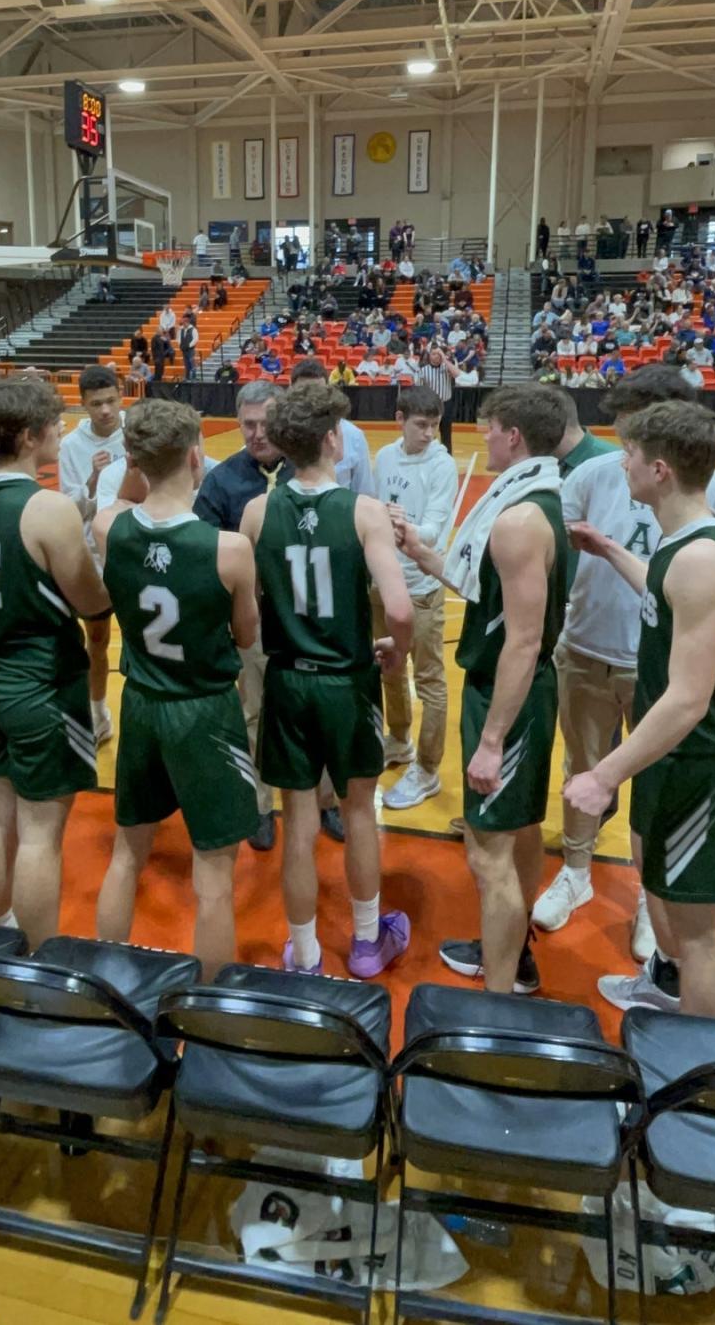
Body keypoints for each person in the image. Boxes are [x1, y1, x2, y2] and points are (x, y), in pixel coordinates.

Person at [532, 367, 715, 989]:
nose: (621, 438)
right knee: (581, 768)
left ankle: (658, 911)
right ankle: (576, 872)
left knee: (653, 795)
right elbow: (563, 553)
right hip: (589, 648)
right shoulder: (596, 475)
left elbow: (705, 600)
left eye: (633, 425)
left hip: (665, 678)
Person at [565, 402, 715, 1018]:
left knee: (700, 933)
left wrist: (604, 774)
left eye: (629, 454)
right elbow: (662, 587)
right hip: (666, 758)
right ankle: (663, 980)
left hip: (698, 764)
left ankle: (697, 1071)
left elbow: (687, 699)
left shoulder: (705, 560)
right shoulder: (683, 547)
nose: (619, 463)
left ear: (658, 471)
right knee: (659, 890)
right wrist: (606, 549)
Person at [393, 385, 568, 995]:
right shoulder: (537, 498)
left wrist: (492, 740)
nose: (482, 438)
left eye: (489, 428)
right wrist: (419, 550)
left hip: (507, 697)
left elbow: (521, 641)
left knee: (489, 853)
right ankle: (514, 959)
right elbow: (481, 588)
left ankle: (498, 1008)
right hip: (516, 692)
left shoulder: (520, 520)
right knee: (519, 834)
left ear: (513, 435)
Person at [241, 385, 413, 976]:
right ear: (333, 440)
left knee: (298, 821)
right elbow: (401, 608)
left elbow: (245, 601)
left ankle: (306, 953)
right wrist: (398, 653)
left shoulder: (258, 512)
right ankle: (367, 944)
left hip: (288, 680)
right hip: (346, 680)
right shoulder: (363, 512)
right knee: (358, 811)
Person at [93, 403, 259, 977]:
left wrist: (134, 465)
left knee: (125, 854)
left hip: (140, 701)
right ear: (197, 458)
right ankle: (210, 1007)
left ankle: (104, 982)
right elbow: (245, 635)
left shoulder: (107, 527)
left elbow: (119, 499)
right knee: (213, 876)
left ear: (134, 462)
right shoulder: (229, 549)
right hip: (204, 711)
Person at [0, 379, 109, 948]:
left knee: (0, 810)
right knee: (42, 832)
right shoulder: (46, 507)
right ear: (27, 436)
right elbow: (92, 601)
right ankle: (40, 966)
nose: (59, 431)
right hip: (37, 682)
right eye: (52, 425)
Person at [194, 381, 287, 850]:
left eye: (266, 423)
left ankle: (325, 802)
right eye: (247, 424)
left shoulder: (308, 471)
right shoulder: (222, 481)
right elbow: (203, 553)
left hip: (306, 624)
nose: (256, 433)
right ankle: (261, 805)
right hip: (253, 623)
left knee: (309, 714)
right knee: (253, 714)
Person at [374, 386, 457, 809]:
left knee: (430, 682)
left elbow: (436, 528)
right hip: (384, 582)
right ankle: (399, 739)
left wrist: (399, 525)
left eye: (435, 425)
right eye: (421, 425)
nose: (429, 434)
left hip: (421, 586)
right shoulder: (385, 457)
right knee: (389, 667)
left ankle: (426, 769)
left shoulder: (442, 466)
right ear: (400, 420)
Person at [58, 364, 126, 745]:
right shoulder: (72, 446)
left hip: (134, 548)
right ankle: (98, 711)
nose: (105, 410)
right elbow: (71, 509)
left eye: (111, 401)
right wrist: (93, 482)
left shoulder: (136, 429)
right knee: (97, 638)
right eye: (96, 403)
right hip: (94, 554)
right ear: (83, 404)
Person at [291, 358, 373, 494]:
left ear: (327, 390)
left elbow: (364, 493)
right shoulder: (279, 433)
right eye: (303, 392)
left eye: (318, 391)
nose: (311, 399)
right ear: (291, 391)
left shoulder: (353, 436)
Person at [421, 345, 458, 453]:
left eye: (438, 354)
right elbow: (419, 390)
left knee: (446, 434)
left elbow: (456, 374)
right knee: (429, 433)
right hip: (430, 405)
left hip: (446, 404)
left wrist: (444, 358)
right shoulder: (423, 371)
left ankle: (447, 458)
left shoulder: (447, 368)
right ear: (429, 356)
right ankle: (427, 456)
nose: (436, 356)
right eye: (433, 353)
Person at [179, 313, 199, 380]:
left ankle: (194, 376)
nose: (183, 324)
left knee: (191, 362)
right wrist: (181, 345)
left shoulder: (193, 329)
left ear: (187, 322)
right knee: (186, 364)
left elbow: (195, 339)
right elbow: (179, 338)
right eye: (183, 322)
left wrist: (189, 345)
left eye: (185, 322)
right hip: (184, 349)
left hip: (190, 349)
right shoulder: (181, 330)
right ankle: (187, 377)